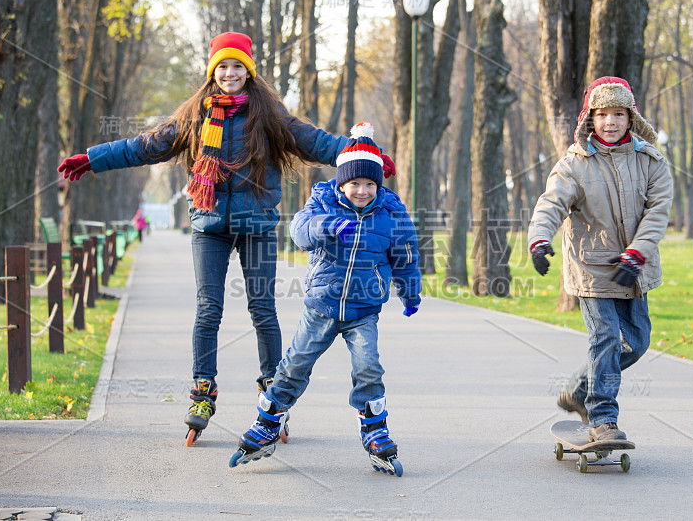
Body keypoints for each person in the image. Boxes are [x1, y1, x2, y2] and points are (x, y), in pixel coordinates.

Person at [58, 32, 395, 445]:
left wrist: (366, 155)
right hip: (210, 227)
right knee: (207, 310)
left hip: (256, 227)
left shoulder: (270, 117)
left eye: (238, 67)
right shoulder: (194, 118)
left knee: (262, 309)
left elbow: (320, 143)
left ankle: (273, 392)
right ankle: (203, 391)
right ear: (212, 72)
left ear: (248, 72)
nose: (230, 73)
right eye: (222, 67)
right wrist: (92, 158)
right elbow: (143, 147)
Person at [228, 122, 421, 477]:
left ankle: (375, 429)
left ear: (379, 184)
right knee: (295, 365)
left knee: (368, 367)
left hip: (364, 310)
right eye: (354, 183)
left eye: (369, 184)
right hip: (321, 306)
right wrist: (327, 226)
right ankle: (269, 420)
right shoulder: (323, 200)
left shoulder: (391, 213)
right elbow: (299, 230)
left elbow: (406, 255)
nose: (362, 191)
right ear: (341, 182)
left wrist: (411, 293)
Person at [527, 76, 673, 442]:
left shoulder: (650, 161)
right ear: (590, 118)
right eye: (603, 113)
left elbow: (657, 212)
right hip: (591, 269)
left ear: (631, 117)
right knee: (606, 338)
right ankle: (603, 418)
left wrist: (637, 254)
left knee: (635, 343)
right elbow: (551, 204)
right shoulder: (574, 164)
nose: (610, 122)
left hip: (633, 269)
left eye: (618, 114)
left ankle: (578, 390)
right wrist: (539, 240)